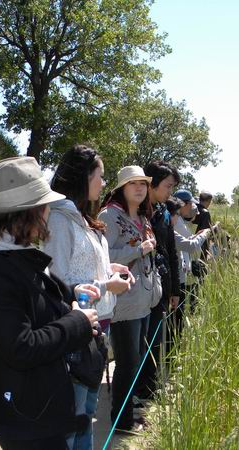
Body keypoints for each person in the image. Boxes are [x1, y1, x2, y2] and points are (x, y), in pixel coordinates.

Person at [0, 157, 101, 450]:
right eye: (44, 206)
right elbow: (21, 346)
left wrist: (70, 293)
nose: (48, 214)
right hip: (22, 416)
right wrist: (78, 322)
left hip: (32, 406)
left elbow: (28, 302)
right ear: (29, 213)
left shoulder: (8, 253)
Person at [44, 145, 134, 450]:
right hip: (76, 329)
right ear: (84, 177)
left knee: (87, 411)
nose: (103, 183)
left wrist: (112, 268)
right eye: (101, 176)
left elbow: (81, 264)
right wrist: (107, 285)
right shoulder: (58, 220)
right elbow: (54, 282)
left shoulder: (82, 217)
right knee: (74, 415)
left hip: (98, 325)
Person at [98, 166, 161, 434]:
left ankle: (128, 410)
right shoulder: (109, 215)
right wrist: (138, 249)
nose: (139, 188)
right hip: (124, 302)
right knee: (127, 363)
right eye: (132, 183)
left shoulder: (144, 218)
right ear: (121, 188)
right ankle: (121, 421)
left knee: (136, 361)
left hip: (145, 300)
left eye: (143, 184)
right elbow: (103, 257)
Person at [136, 160, 181, 401]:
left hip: (161, 284)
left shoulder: (164, 212)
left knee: (156, 336)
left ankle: (150, 386)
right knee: (138, 341)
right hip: (138, 285)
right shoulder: (135, 210)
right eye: (167, 186)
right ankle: (138, 388)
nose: (169, 192)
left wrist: (174, 289)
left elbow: (172, 251)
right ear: (151, 183)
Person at [172, 190, 213, 312]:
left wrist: (197, 235)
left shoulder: (180, 219)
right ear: (184, 204)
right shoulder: (177, 221)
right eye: (191, 204)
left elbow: (187, 238)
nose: (192, 208)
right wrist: (205, 233)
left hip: (182, 266)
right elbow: (189, 244)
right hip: (178, 269)